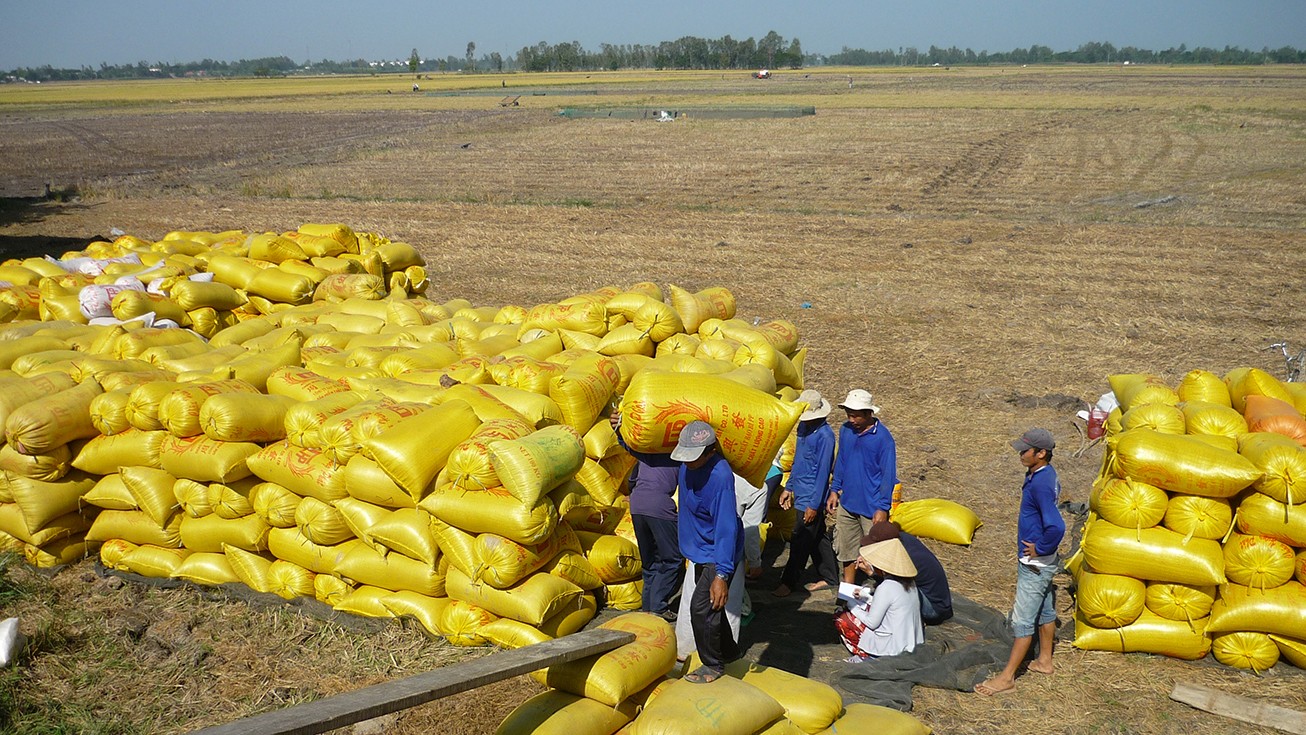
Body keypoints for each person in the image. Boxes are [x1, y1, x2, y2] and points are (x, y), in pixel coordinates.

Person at [975, 428, 1066, 696]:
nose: (1020, 454)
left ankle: (1007, 678)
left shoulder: (1039, 483)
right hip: (1043, 563)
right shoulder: (1043, 475)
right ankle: (1045, 660)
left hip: (1034, 565)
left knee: (1023, 621)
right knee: (1046, 610)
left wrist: (1040, 548)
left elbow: (1056, 527)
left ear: (1041, 453)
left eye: (1025, 451)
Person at [671, 420, 743, 684]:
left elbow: (726, 529)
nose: (688, 462)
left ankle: (713, 665)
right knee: (712, 607)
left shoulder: (721, 477)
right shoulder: (687, 465)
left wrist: (722, 575)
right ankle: (731, 652)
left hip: (717, 551)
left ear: (710, 451)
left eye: (694, 457)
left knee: (702, 608)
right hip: (699, 549)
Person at [611, 411, 683, 620]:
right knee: (673, 559)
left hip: (637, 505)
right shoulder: (680, 454)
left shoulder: (647, 448)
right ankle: (658, 608)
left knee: (650, 560)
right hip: (659, 506)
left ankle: (648, 608)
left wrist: (617, 426)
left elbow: (627, 443)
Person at [827, 389, 898, 586]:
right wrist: (835, 489)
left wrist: (883, 507)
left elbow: (887, 475)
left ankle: (881, 593)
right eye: (849, 414)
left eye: (856, 415)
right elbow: (841, 460)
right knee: (846, 550)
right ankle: (847, 593)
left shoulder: (883, 439)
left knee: (876, 555)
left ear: (869, 414)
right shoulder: (846, 430)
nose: (851, 419)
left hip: (871, 508)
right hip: (848, 503)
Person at [774, 389, 839, 598]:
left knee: (800, 538)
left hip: (812, 494)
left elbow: (822, 473)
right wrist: (789, 487)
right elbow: (798, 461)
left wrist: (814, 504)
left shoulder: (825, 437)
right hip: (800, 489)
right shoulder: (803, 428)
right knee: (818, 536)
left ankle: (789, 581)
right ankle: (830, 576)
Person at [834, 538, 924, 661]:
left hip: (891, 647)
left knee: (841, 618)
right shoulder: (910, 583)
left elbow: (872, 622)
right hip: (909, 641)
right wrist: (866, 596)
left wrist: (851, 605)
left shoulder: (886, 587)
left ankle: (864, 653)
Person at [860, 521, 953, 625]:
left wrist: (871, 573)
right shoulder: (901, 539)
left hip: (934, 609)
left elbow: (895, 586)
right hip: (934, 596)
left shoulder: (906, 559)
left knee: (888, 596)